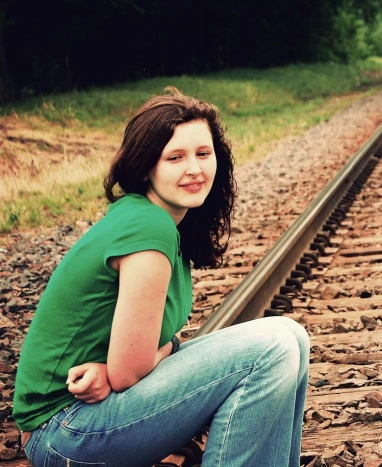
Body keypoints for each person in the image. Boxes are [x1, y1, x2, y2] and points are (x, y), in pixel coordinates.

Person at [13, 88, 309, 467]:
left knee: (292, 335)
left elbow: (138, 360)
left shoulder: (159, 219)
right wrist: (121, 368)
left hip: (86, 417)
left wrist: (124, 365)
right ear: (145, 167)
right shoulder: (149, 228)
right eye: (175, 157)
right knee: (271, 349)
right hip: (64, 431)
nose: (195, 169)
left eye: (203, 154)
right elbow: (127, 374)